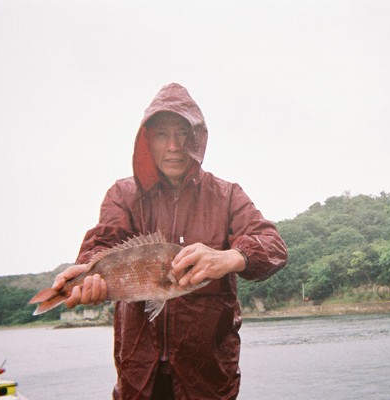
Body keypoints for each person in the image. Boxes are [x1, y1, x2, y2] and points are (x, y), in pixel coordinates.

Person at [52, 83, 288, 399]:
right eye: (162, 134)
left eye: (183, 133)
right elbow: (100, 246)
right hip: (138, 378)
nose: (174, 145)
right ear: (147, 141)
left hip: (209, 377)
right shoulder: (123, 195)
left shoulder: (228, 195)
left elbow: (273, 245)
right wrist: (86, 272)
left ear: (197, 140)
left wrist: (230, 257)